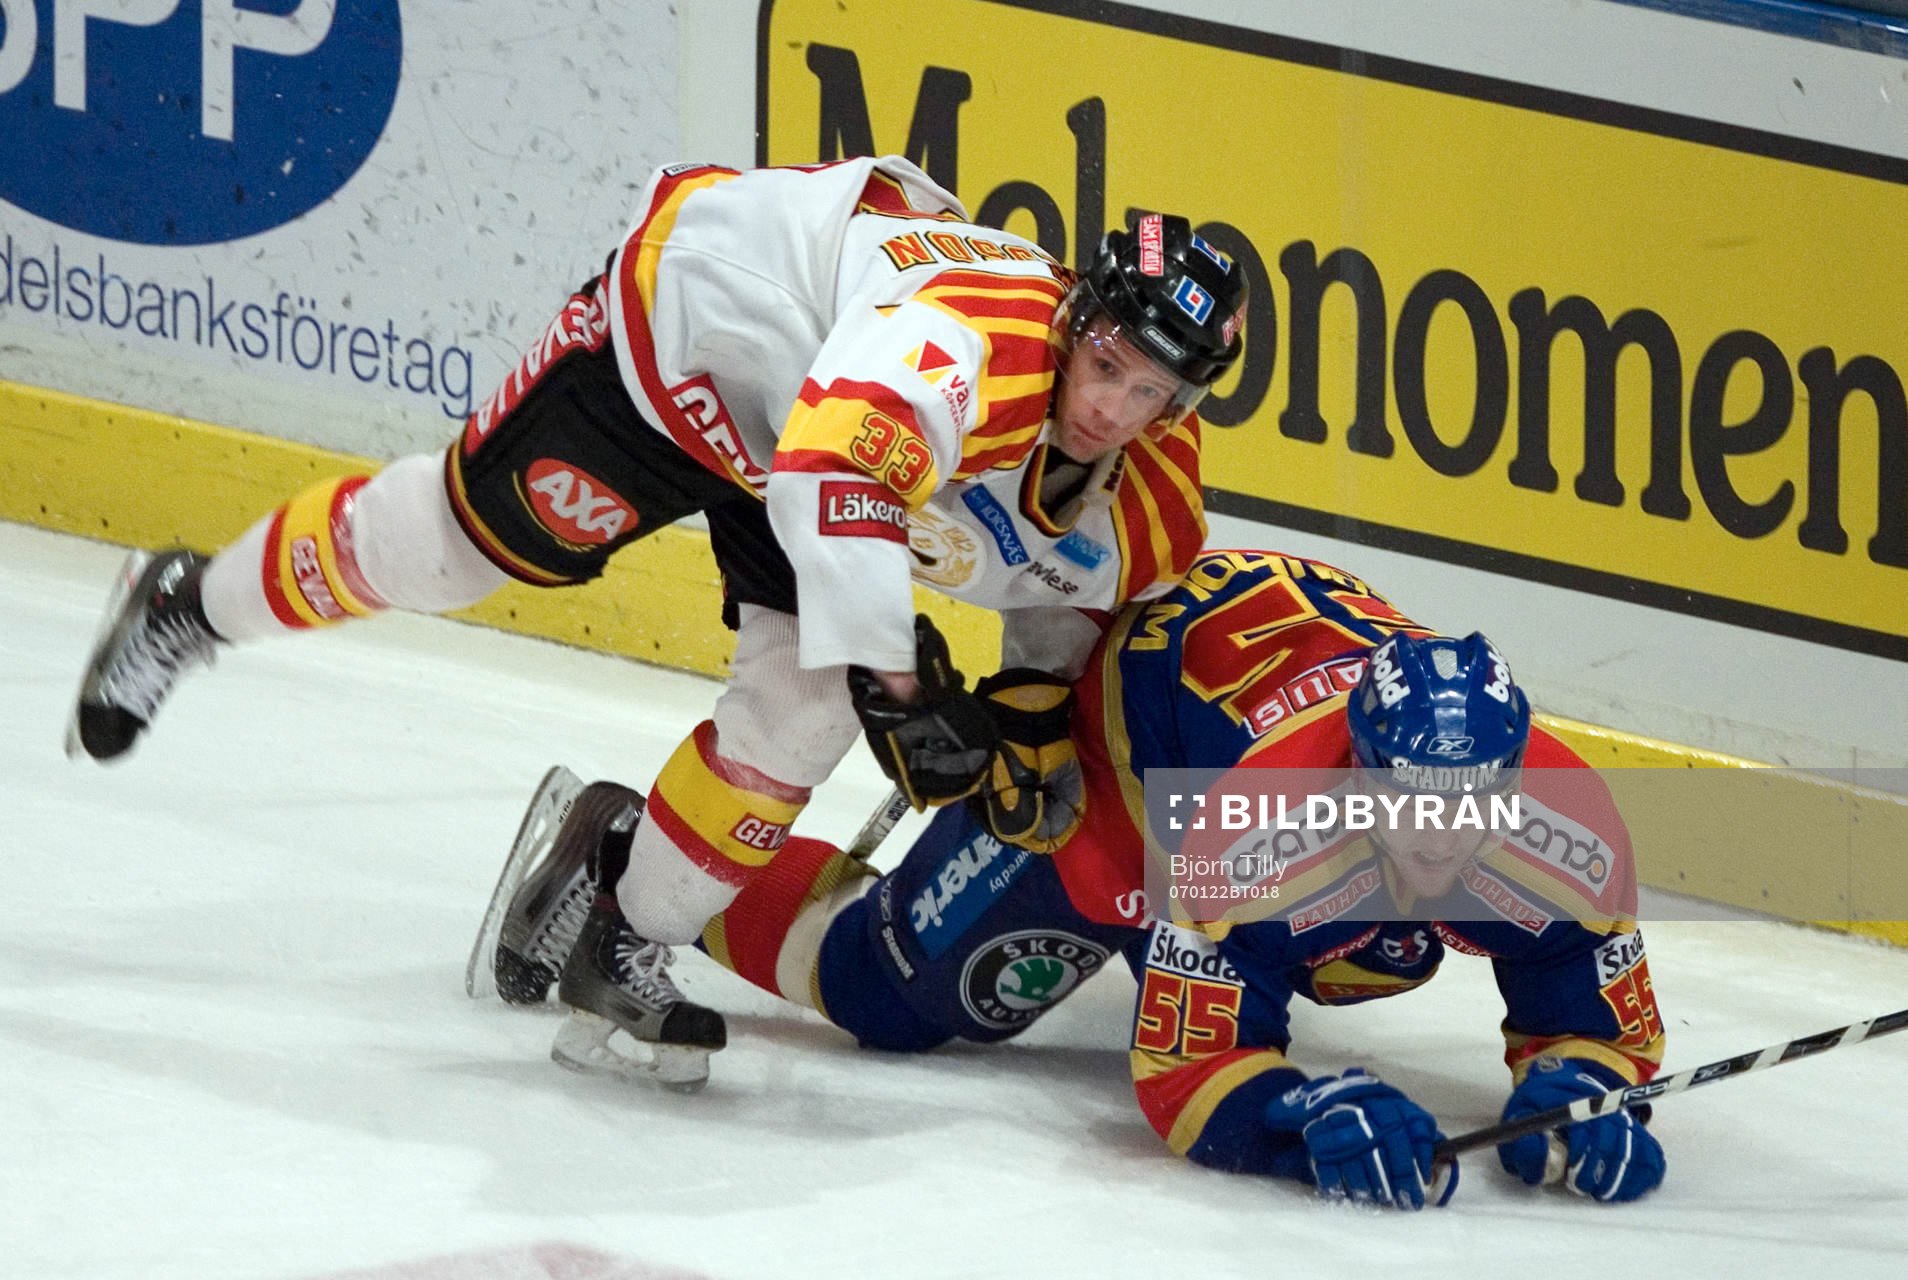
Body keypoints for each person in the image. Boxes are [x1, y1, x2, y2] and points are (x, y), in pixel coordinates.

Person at [68, 155, 1250, 1087]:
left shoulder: (1151, 476)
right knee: (452, 551)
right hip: (686, 342)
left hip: (803, 423)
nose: (1115, 408)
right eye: (1107, 363)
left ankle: (623, 934)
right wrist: (899, 685)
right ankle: (189, 606)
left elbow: (1077, 587)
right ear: (1075, 317)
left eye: (1155, 389)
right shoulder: (971, 340)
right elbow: (833, 476)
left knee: (801, 710)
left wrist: (1035, 700)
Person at [482, 549, 1667, 1206]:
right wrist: (1290, 1121)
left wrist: (1585, 1073)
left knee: (1373, 947)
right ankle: (630, 854)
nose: (1438, 838)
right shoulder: (1254, 828)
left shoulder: (1568, 819)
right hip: (1121, 769)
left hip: (1225, 689)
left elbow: (1591, 997)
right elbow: (1187, 1072)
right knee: (885, 989)